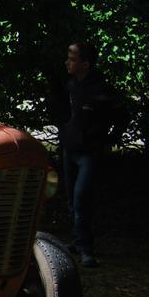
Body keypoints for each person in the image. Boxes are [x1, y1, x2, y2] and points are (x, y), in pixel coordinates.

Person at [59, 40, 129, 268]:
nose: (67, 63)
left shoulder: (102, 91)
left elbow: (123, 116)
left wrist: (108, 140)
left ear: (85, 64)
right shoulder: (71, 86)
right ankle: (79, 241)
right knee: (72, 198)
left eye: (72, 59)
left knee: (81, 198)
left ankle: (86, 250)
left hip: (89, 152)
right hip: (70, 150)